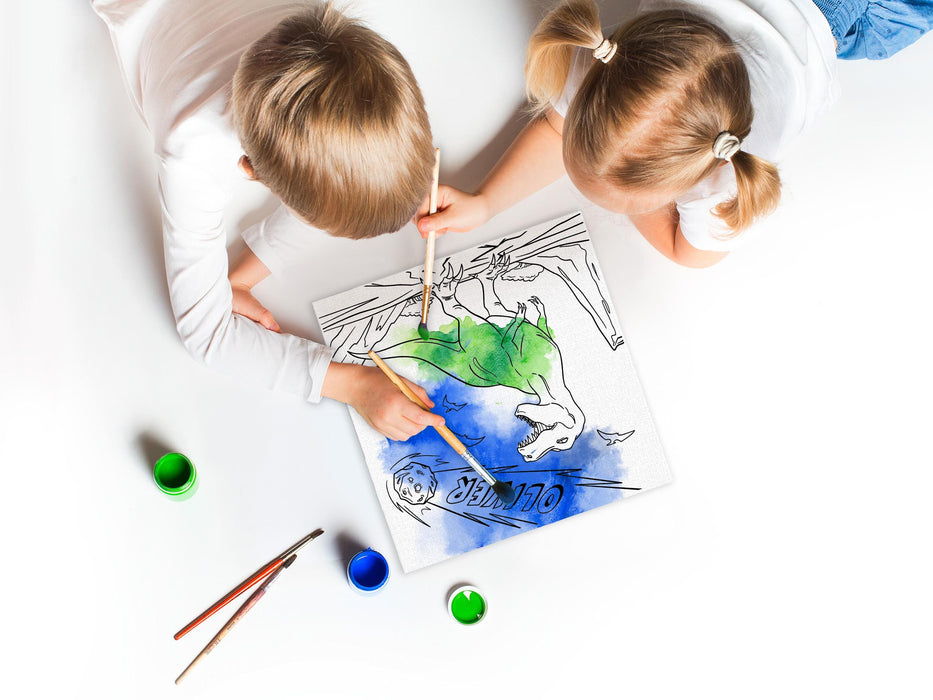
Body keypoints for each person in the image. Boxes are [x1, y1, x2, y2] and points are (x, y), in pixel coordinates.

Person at [92, 0, 444, 441]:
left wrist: (241, 276)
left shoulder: (337, 26)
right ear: (250, 170)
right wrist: (351, 384)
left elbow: (330, 176)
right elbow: (207, 335)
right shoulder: (193, 148)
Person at [415, 0, 933, 268]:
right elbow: (561, 126)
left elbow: (688, 253)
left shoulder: (729, 178)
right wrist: (485, 201)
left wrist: (630, 201)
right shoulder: (614, 63)